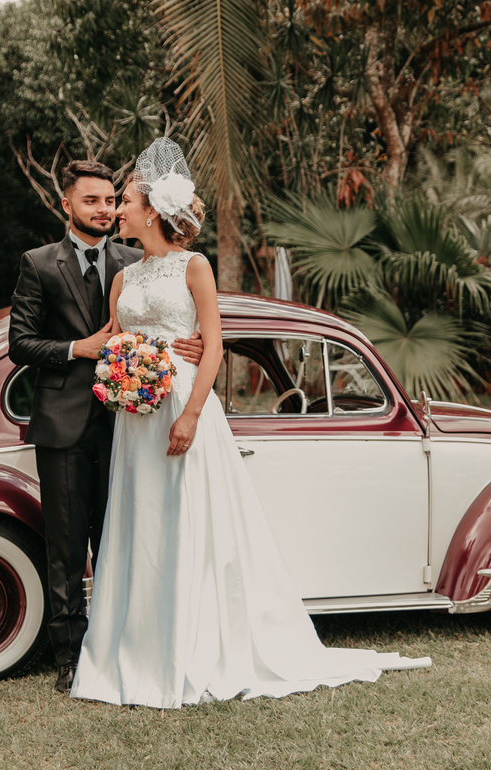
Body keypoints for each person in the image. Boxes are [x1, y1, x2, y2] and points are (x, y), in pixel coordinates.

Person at [71, 138, 431, 708]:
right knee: (140, 522)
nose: (118, 211)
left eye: (128, 201)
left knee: (188, 517)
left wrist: (190, 415)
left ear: (153, 211)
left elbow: (213, 348)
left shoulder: (195, 266)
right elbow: (117, 340)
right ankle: (135, 648)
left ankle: (192, 645)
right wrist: (120, 369)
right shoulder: (123, 279)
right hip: (137, 414)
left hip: (185, 404)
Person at [7, 160, 203, 694]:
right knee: (67, 547)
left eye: (111, 199)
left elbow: (176, 315)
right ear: (66, 204)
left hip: (132, 425)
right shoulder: (38, 264)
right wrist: (77, 348)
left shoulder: (135, 259)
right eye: (91, 200)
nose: (105, 209)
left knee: (121, 540)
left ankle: (121, 643)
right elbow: (19, 344)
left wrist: (198, 345)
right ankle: (70, 657)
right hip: (64, 422)